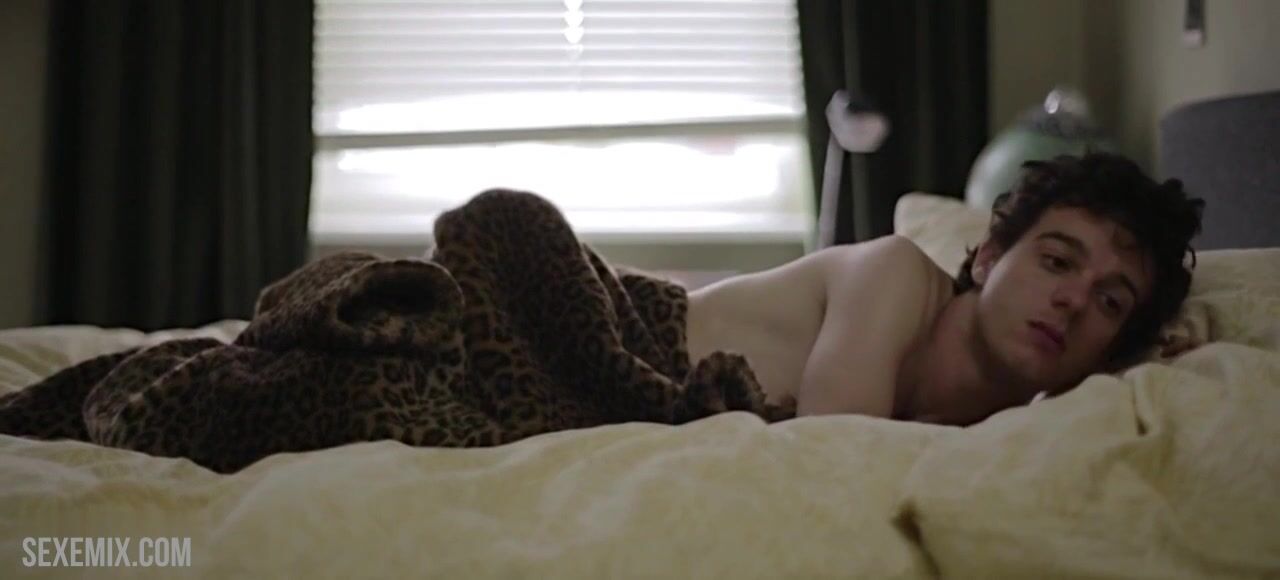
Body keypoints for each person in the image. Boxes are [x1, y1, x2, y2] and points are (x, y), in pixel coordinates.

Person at [684, 152, 1205, 426]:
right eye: (1056, 262)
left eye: (1110, 302)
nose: (1073, 301)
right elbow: (829, 454)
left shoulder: (1003, 433)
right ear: (988, 259)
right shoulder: (894, 276)